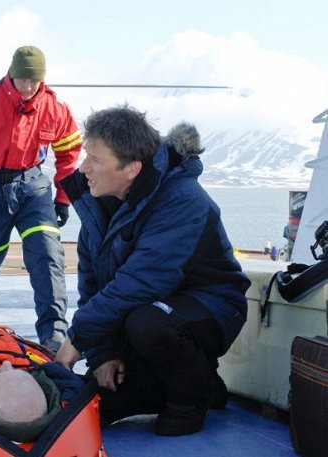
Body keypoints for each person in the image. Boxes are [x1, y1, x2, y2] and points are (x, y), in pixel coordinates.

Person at [55, 106, 251, 436]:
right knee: (90, 405)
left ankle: (193, 397)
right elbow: (92, 282)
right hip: (145, 308)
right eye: (86, 156)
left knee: (148, 321)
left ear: (131, 168)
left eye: (95, 160)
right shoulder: (98, 198)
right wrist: (105, 352)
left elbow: (141, 281)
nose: (84, 168)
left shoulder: (183, 200)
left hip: (210, 306)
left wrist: (77, 339)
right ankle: (194, 382)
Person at [0, 45, 81, 351]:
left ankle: (53, 336)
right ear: (11, 74)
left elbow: (69, 154)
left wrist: (63, 198)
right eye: (22, 79)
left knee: (47, 255)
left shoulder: (55, 108)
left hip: (33, 188)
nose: (27, 86)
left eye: (34, 81)